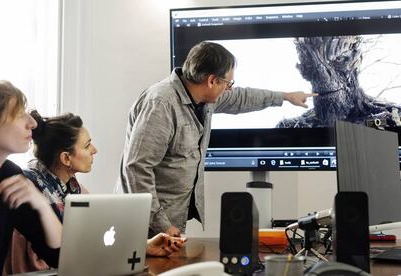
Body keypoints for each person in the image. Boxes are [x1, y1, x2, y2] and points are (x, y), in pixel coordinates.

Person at [118, 41, 316, 237]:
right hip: (145, 228)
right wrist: (162, 224)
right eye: (228, 83)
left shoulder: (202, 98)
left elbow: (242, 98)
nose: (229, 89)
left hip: (169, 224)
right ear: (212, 81)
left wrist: (286, 97)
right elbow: (136, 169)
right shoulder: (161, 104)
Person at [9, 110, 186, 273]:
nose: (94, 150)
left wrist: (142, 246)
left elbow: (95, 235)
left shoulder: (71, 185)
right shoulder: (29, 189)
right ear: (66, 158)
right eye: (87, 146)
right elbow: (58, 255)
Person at [0, 79, 62, 276]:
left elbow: (58, 255)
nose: (33, 123)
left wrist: (42, 205)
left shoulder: (10, 177)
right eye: (20, 114)